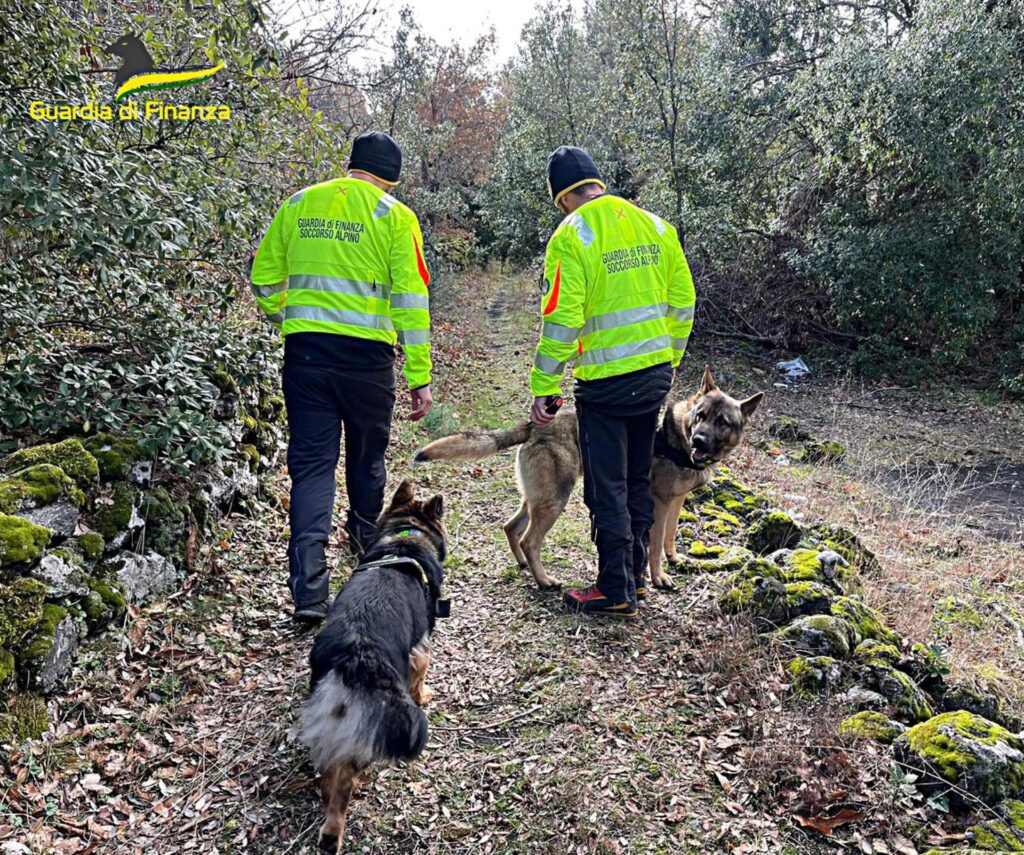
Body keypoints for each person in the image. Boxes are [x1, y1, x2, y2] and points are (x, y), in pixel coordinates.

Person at [250, 131, 433, 624]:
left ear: (350, 164)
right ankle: (364, 559)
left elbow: (263, 280)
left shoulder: (299, 204)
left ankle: (309, 592)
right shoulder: (394, 216)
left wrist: (289, 315)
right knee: (367, 460)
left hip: (306, 355)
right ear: (391, 179)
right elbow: (411, 301)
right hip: (367, 363)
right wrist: (420, 376)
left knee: (311, 469)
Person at [529, 146, 696, 618]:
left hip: (604, 382)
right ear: (598, 183)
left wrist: (544, 385)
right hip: (653, 377)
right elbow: (684, 301)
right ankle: (637, 580)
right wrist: (672, 360)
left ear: (561, 197)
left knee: (606, 487)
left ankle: (614, 589)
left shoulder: (571, 235)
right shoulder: (657, 226)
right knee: (637, 477)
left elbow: (562, 319)